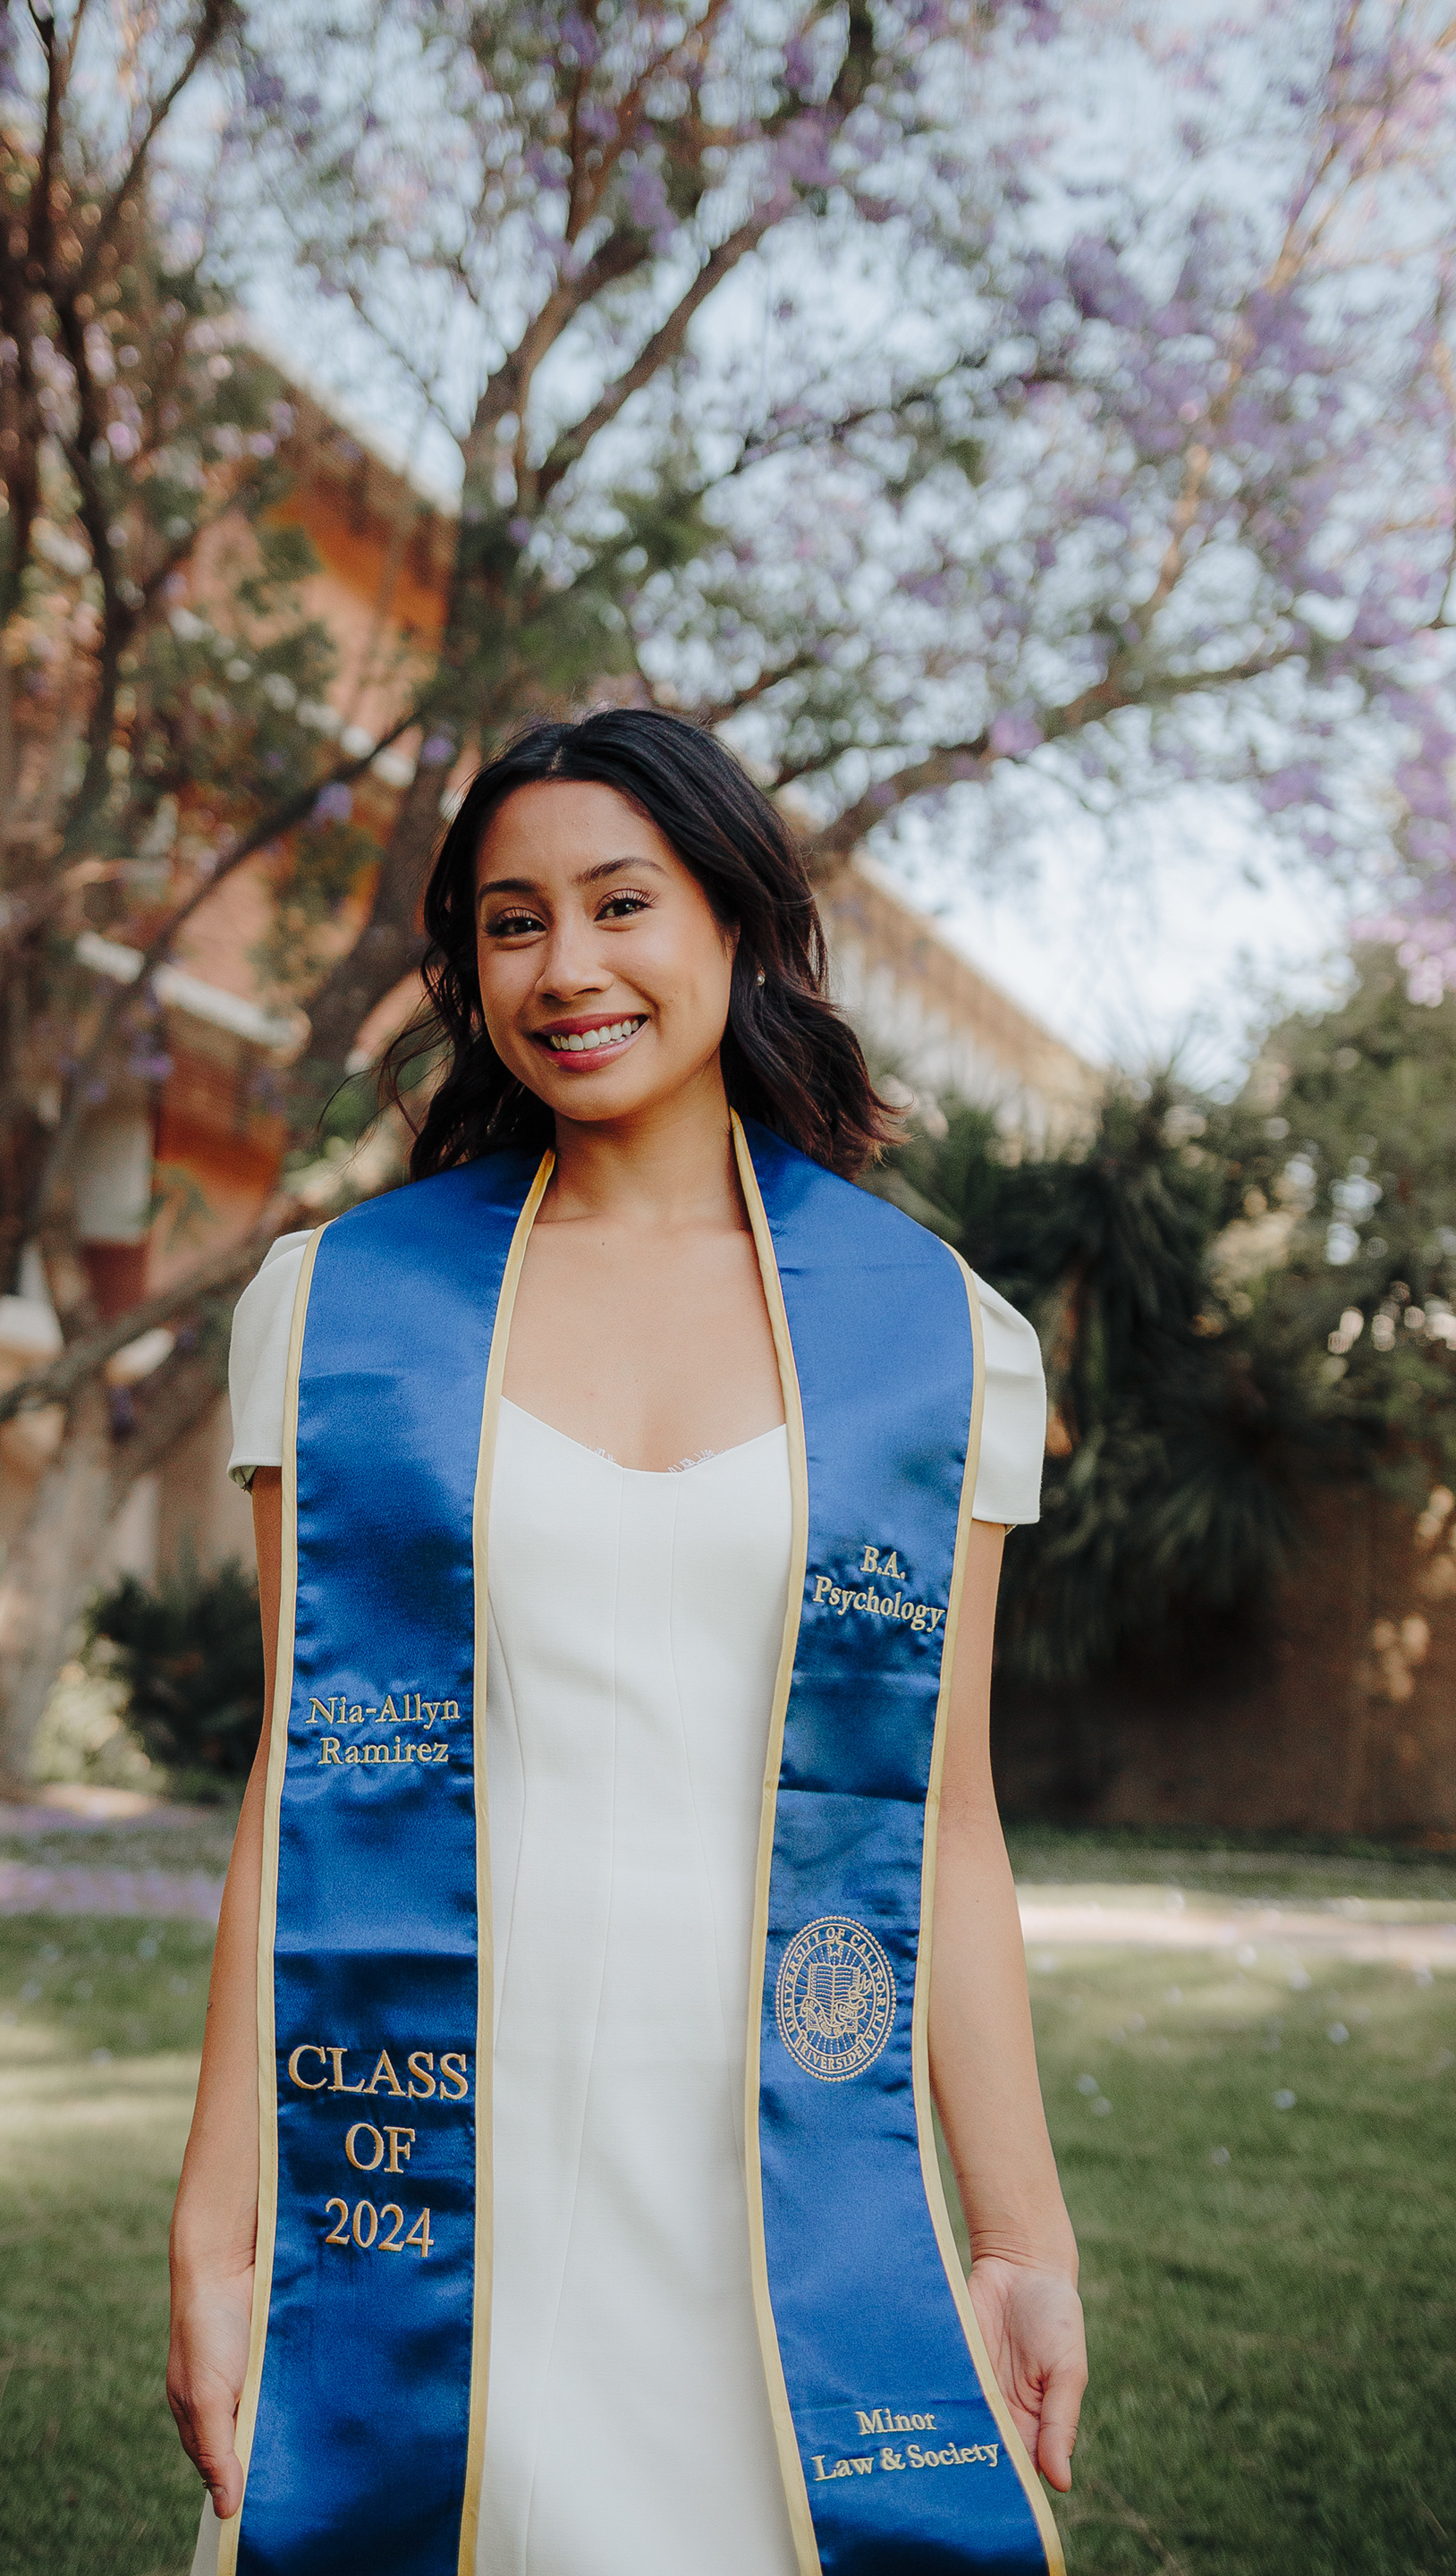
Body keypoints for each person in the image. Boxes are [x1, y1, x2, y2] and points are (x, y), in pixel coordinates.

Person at [167, 708, 1087, 2576]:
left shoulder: (935, 1338)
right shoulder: (338, 1312)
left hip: (778, 2155)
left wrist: (1015, 2239)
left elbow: (944, 1822)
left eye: (619, 904)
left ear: (735, 923)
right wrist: (220, 2222)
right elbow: (298, 1782)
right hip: (443, 2150)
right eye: (512, 924)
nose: (566, 968)